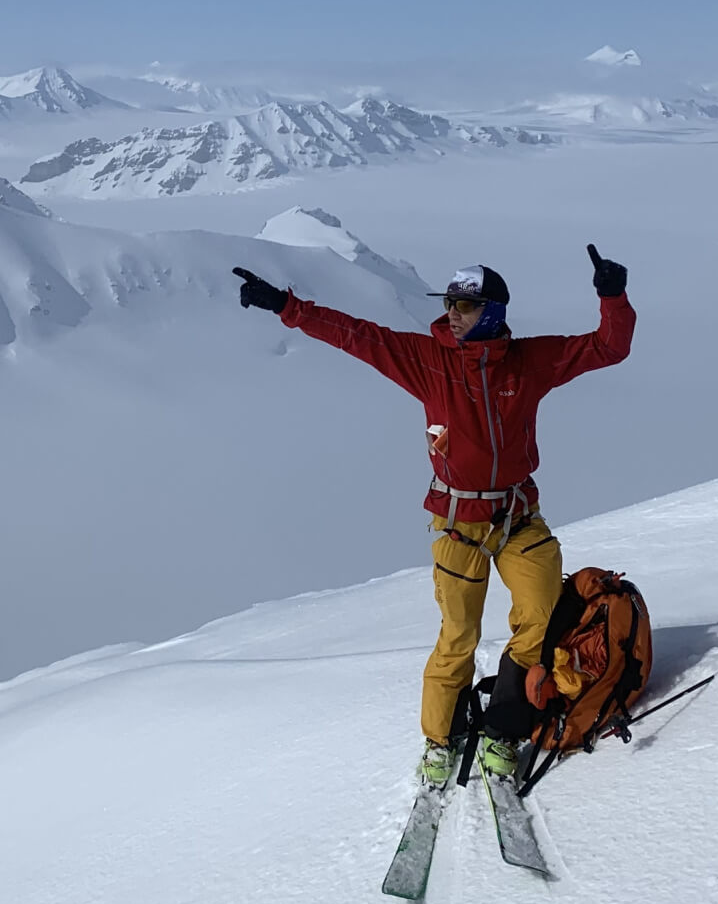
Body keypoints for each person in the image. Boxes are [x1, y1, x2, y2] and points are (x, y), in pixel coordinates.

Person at [232, 245, 635, 787]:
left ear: (492, 311)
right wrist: (285, 305)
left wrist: (612, 296)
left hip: (518, 517)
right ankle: (440, 742)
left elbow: (608, 347)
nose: (452, 313)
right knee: (458, 635)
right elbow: (358, 336)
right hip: (458, 525)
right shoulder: (430, 361)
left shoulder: (529, 362)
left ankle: (503, 728)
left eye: (464, 305)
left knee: (539, 616)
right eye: (449, 303)